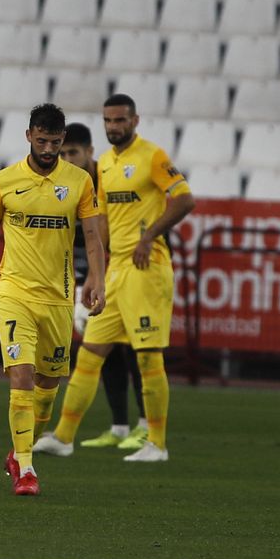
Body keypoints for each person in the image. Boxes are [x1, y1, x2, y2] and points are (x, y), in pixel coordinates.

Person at [35, 94, 193, 463]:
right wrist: (95, 272)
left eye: (120, 120)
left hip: (147, 266)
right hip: (116, 270)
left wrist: (150, 235)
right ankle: (63, 436)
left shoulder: (152, 156)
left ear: (135, 121)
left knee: (148, 357)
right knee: (90, 354)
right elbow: (101, 221)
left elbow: (185, 199)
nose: (113, 127)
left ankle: (157, 444)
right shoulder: (104, 164)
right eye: (108, 121)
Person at [0, 103, 105, 496]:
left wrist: (97, 277)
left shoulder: (79, 181)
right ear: (28, 136)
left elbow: (92, 235)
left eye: (55, 142)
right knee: (21, 376)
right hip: (14, 293)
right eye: (41, 140)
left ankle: (18, 451)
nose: (47, 148)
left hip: (59, 296)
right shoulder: (3, 182)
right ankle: (26, 469)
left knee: (47, 387)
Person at [57, 121, 146, 449]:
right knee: (105, 348)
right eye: (63, 152)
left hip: (121, 270)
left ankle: (145, 424)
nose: (67, 158)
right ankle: (120, 426)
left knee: (133, 349)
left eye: (73, 152)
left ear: (89, 152)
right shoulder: (61, 183)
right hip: (89, 275)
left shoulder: (107, 178)